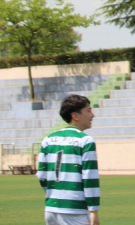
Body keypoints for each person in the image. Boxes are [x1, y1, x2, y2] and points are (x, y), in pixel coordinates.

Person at [37, 94, 100, 225]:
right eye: (88, 110)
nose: (92, 115)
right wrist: (93, 210)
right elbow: (89, 178)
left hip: (51, 209)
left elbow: (41, 175)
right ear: (75, 116)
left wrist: (55, 194)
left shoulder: (47, 140)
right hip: (75, 211)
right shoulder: (85, 141)